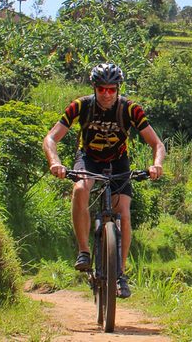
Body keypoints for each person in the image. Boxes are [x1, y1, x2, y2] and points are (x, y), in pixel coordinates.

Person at [42, 62, 166, 299]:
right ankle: (84, 252)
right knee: (80, 189)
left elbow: (157, 143)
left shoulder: (130, 109)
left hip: (118, 161)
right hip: (88, 158)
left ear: (118, 89)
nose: (107, 94)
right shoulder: (81, 105)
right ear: (95, 88)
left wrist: (156, 165)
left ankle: (119, 273)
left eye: (111, 89)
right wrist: (54, 162)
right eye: (102, 89)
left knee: (124, 212)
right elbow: (51, 138)